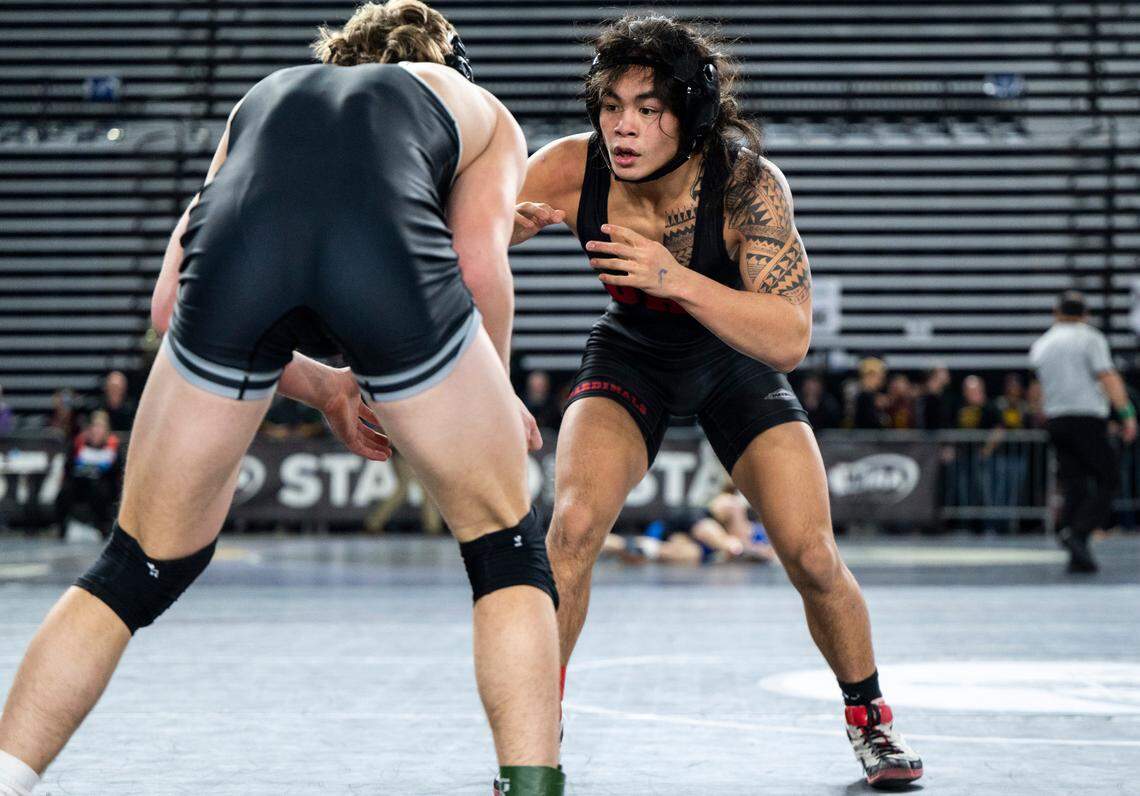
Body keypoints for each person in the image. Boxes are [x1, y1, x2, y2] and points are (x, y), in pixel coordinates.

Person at [0, 3, 566, 795]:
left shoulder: (262, 97)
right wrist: (492, 389)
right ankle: (532, 786)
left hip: (242, 268)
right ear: (448, 61)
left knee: (133, 567)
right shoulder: (477, 109)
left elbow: (169, 306)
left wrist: (325, 386)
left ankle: (6, 773)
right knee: (506, 547)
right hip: (385, 264)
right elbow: (474, 267)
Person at [511, 14, 921, 788]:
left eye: (648, 108)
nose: (623, 127)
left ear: (689, 112)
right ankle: (536, 731)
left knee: (810, 553)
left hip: (732, 357)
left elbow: (789, 336)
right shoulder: (568, 167)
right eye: (611, 105)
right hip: (631, 350)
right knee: (569, 530)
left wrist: (674, 277)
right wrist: (501, 232)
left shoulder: (746, 185)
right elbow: (466, 241)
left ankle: (870, 721)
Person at [1029, 290, 1136, 573]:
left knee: (1074, 483)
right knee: (1109, 478)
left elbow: (1036, 389)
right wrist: (1126, 414)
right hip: (1086, 418)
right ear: (1085, 314)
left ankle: (1077, 549)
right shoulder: (1090, 337)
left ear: (1056, 312)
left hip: (1056, 419)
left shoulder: (1042, 344)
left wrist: (1043, 413)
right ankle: (1078, 532)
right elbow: (1108, 376)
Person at [54, 411, 122, 539]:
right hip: (80, 483)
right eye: (94, 427)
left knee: (101, 491)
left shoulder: (113, 446)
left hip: (103, 483)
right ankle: (61, 527)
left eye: (100, 427)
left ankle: (103, 527)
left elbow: (117, 470)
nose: (97, 431)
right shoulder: (79, 443)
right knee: (64, 492)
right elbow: (68, 466)